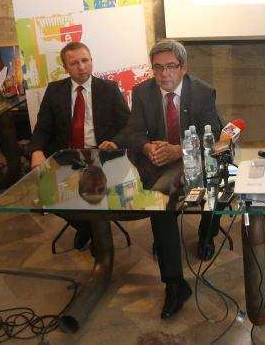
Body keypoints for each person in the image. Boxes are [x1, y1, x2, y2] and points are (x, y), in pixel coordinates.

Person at [103, 39, 223, 318]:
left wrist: (178, 150)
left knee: (176, 196)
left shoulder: (203, 92)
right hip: (156, 161)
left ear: (183, 68)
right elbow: (134, 131)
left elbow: (214, 134)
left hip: (192, 159)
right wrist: (148, 148)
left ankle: (204, 238)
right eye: (158, 68)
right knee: (159, 202)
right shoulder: (142, 92)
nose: (164, 74)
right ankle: (175, 284)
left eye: (170, 66)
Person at [28, 41, 130, 250]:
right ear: (65, 67)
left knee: (96, 190)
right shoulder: (55, 91)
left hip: (101, 156)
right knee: (44, 191)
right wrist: (36, 151)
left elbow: (129, 126)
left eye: (85, 61)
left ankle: (96, 237)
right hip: (67, 156)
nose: (81, 67)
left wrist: (115, 142)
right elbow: (42, 128)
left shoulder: (109, 89)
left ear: (92, 61)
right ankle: (86, 227)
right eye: (74, 63)